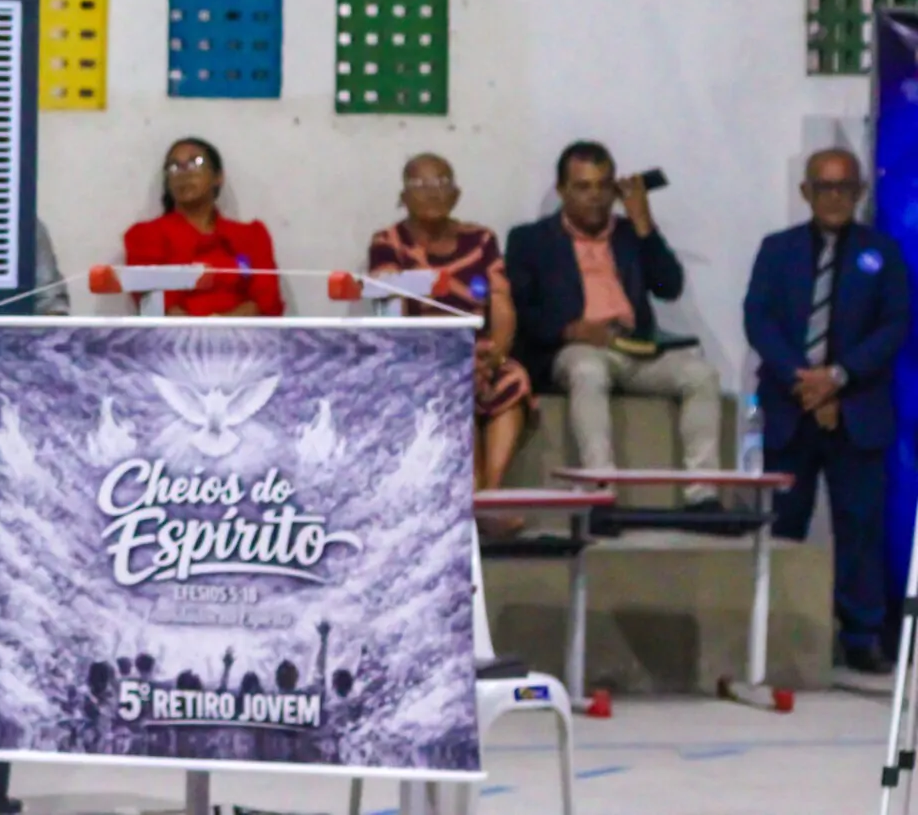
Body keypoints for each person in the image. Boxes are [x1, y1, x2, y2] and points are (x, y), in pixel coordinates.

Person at [743, 149, 910, 677]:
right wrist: (805, 382)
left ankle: (861, 636)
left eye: (844, 187)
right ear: (806, 192)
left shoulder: (883, 253)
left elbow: (894, 325)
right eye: (824, 187)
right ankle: (775, 636)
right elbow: (758, 319)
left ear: (859, 192)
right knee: (783, 524)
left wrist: (837, 379)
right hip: (790, 409)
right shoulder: (777, 250)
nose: (834, 197)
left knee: (860, 527)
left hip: (857, 411)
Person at [505, 140, 718, 491]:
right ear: (562, 190)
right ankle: (601, 488)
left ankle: (703, 492)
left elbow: (669, 286)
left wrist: (644, 225)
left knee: (701, 375)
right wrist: (570, 330)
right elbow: (520, 310)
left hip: (635, 347)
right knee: (587, 369)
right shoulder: (531, 240)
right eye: (583, 187)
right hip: (576, 348)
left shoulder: (630, 234)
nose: (595, 197)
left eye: (604, 186)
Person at [367, 154, 532, 490]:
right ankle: (471, 492)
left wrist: (495, 356)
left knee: (512, 378)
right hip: (420, 356)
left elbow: (501, 304)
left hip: (479, 353)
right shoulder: (388, 242)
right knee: (454, 381)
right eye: (421, 184)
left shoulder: (481, 240)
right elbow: (390, 308)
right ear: (403, 197)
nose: (433, 192)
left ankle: (491, 494)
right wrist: (453, 359)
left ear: (457, 194)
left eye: (442, 183)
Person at [121, 139, 286, 317]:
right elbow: (152, 304)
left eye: (195, 163)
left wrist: (224, 324)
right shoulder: (144, 236)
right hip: (173, 333)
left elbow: (267, 300)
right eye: (174, 167)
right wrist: (197, 330)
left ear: (218, 177)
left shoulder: (252, 236)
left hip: (246, 332)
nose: (183, 173)